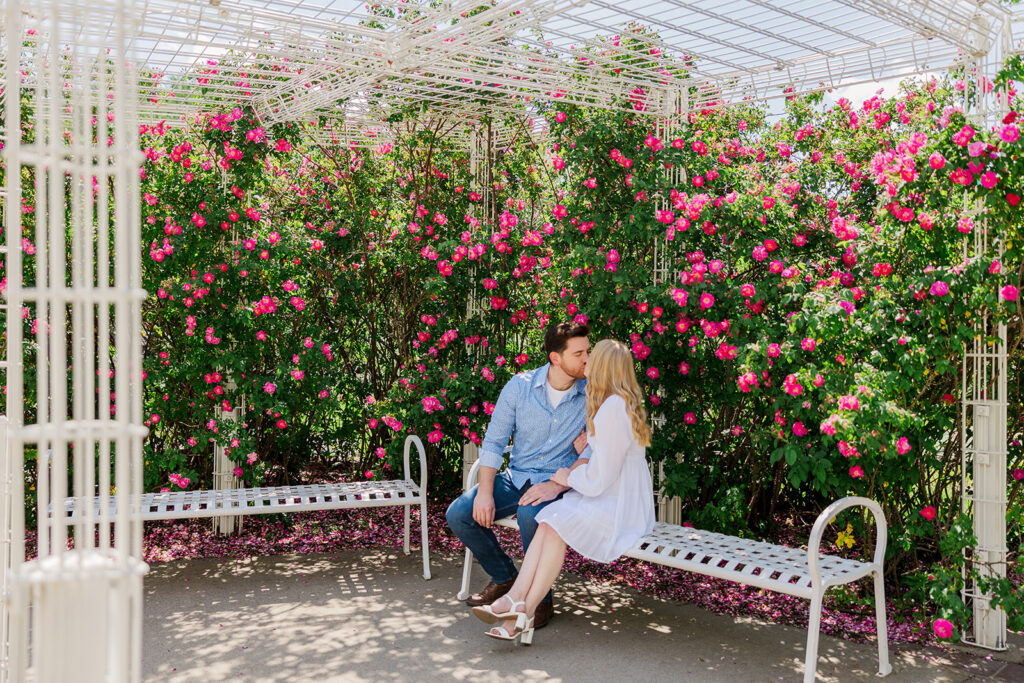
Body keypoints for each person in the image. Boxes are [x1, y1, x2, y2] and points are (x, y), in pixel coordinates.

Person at [470, 338, 655, 644]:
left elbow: (600, 479)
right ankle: (515, 601)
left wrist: (567, 476)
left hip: (618, 504)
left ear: (605, 367)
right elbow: (610, 455)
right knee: (550, 520)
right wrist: (588, 447)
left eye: (592, 357)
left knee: (555, 522)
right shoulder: (618, 402)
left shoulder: (612, 407)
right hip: (618, 495)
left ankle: (522, 611)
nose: (587, 362)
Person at [446, 322, 592, 630]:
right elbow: (494, 442)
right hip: (516, 477)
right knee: (459, 513)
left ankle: (540, 601)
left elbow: (600, 448)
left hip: (558, 484)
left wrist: (556, 483)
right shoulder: (520, 386)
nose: (587, 359)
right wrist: (484, 492)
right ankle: (505, 578)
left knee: (531, 515)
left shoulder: (592, 391)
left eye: (588, 351)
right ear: (556, 357)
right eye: (580, 353)